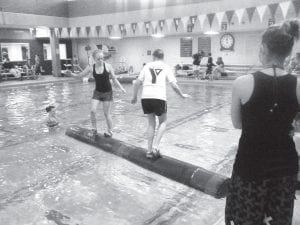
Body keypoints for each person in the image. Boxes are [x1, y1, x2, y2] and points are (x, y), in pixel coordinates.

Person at [226, 19, 300, 225]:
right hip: (285, 166)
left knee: (246, 219)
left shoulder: (242, 83)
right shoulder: (298, 85)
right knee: (279, 220)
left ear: (263, 48)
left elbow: (237, 124)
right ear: (288, 52)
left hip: (251, 164)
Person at [131, 49, 190, 159]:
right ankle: (155, 147)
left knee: (151, 123)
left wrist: (134, 97)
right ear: (163, 57)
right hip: (159, 97)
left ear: (153, 57)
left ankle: (148, 151)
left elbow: (137, 83)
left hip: (146, 97)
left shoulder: (147, 66)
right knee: (163, 122)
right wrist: (182, 95)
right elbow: (173, 85)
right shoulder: (166, 66)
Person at [68, 49, 126, 138]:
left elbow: (114, 79)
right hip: (97, 92)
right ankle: (94, 129)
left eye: (102, 58)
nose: (101, 60)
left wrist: (122, 88)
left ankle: (110, 131)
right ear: (94, 59)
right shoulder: (91, 67)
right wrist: (71, 74)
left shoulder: (108, 66)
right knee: (92, 111)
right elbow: (80, 76)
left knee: (106, 114)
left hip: (107, 93)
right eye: (98, 59)